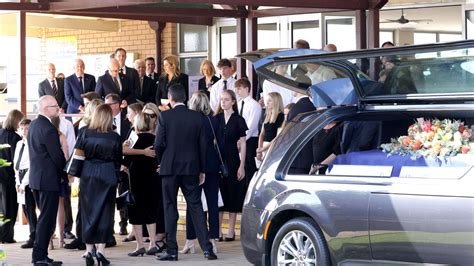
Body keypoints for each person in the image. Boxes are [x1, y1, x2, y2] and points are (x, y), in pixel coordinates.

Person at [154, 84, 217, 261]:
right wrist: (202, 169)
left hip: (169, 168)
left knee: (170, 208)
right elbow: (203, 146)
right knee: (196, 207)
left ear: (170, 98)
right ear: (185, 98)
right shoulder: (197, 117)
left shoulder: (164, 116)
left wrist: (161, 162)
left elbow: (159, 144)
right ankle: (207, 249)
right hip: (191, 168)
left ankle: (172, 250)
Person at [76, 104, 122, 266]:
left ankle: (89, 250)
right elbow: (118, 160)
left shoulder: (84, 132)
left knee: (87, 212)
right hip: (108, 174)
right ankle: (101, 251)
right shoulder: (114, 137)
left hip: (88, 174)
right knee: (106, 212)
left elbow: (78, 155)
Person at [28, 95, 66, 265]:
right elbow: (57, 157)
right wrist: (66, 169)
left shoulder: (34, 124)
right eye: (55, 106)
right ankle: (39, 256)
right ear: (45, 109)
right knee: (47, 219)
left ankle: (41, 254)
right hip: (48, 180)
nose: (58, 109)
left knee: (44, 218)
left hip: (37, 179)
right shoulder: (48, 128)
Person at [182, 92, 220, 254]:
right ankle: (212, 239)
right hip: (212, 165)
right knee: (212, 204)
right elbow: (221, 144)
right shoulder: (214, 121)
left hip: (194, 166)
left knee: (193, 203)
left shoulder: (190, 121)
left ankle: (190, 240)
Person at [123, 113, 160, 257]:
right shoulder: (155, 139)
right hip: (153, 178)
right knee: (151, 209)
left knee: (136, 210)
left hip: (136, 179)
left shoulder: (133, 140)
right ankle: (152, 243)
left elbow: (125, 161)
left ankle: (140, 245)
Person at [215, 89, 247, 241]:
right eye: (222, 99)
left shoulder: (239, 120)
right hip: (219, 162)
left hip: (233, 161)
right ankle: (218, 230)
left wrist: (242, 165)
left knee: (233, 195)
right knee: (220, 195)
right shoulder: (217, 119)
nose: (223, 102)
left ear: (233, 101)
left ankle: (231, 231)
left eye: (226, 99)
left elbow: (243, 143)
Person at [105, 93, 131, 237]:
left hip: (125, 163)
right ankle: (108, 226)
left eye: (108, 104)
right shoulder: (104, 120)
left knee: (123, 193)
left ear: (116, 105)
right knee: (108, 194)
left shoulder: (128, 119)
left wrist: (126, 162)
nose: (106, 107)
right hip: (109, 163)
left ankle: (123, 223)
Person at [0, 109, 24, 244]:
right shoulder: (15, 138)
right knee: (9, 207)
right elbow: (17, 160)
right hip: (8, 178)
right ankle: (7, 236)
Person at [14, 119, 38, 249]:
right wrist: (18, 182)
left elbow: (32, 164)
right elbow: (17, 164)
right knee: (25, 209)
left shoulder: (33, 143)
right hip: (20, 176)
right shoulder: (19, 144)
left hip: (30, 177)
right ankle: (33, 232)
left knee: (30, 208)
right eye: (22, 128)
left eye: (27, 128)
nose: (24, 131)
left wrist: (24, 183)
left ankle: (34, 236)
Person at [235, 78, 262, 187]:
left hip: (250, 140)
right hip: (238, 140)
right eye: (236, 89)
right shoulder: (238, 103)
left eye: (239, 89)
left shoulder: (254, 105)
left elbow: (251, 126)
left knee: (249, 167)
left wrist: (242, 140)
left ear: (247, 88)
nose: (237, 91)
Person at [50, 116, 71, 249]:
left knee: (46, 208)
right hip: (60, 173)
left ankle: (49, 240)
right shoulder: (61, 136)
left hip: (47, 173)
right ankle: (61, 239)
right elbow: (66, 156)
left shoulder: (44, 135)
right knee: (60, 205)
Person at [287, 92, 316, 174]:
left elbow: (290, 135)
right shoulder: (312, 105)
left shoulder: (296, 109)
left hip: (297, 159)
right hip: (308, 157)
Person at [256, 92, 285, 161]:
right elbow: (262, 134)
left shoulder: (281, 116)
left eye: (270, 100)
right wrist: (260, 149)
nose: (267, 103)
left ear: (276, 101)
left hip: (273, 148)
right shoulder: (267, 115)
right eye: (267, 100)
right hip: (264, 147)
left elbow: (278, 137)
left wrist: (263, 149)